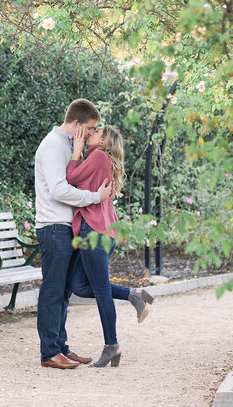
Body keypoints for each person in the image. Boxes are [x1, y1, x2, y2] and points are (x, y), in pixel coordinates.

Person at [66, 124, 154, 368]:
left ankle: (111, 346)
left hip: (94, 232)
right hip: (101, 231)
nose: (90, 132)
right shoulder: (100, 159)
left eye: (96, 131)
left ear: (103, 141)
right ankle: (132, 294)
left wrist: (77, 150)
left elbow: (71, 177)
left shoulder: (99, 156)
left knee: (101, 291)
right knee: (79, 286)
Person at [34, 99, 113, 370]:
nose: (92, 133)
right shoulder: (54, 146)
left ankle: (61, 347)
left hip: (66, 227)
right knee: (53, 290)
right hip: (53, 227)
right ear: (77, 124)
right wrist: (95, 196)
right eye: (90, 128)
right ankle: (49, 352)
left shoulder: (67, 145)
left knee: (64, 291)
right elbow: (59, 190)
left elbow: (74, 177)